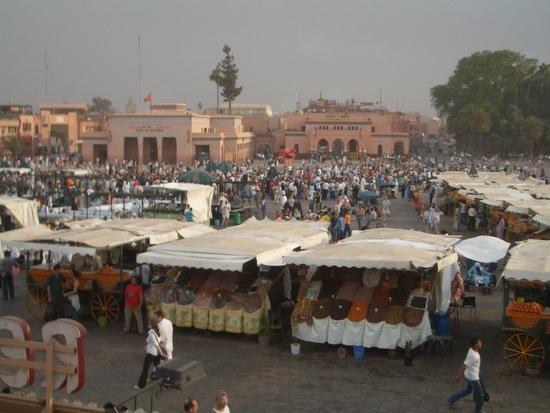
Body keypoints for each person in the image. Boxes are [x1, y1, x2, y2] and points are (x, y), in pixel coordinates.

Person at [448, 338, 485, 413]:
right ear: (476, 345)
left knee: (467, 391)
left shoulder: (471, 349)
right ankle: (478, 410)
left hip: (470, 375)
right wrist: (458, 376)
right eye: (479, 343)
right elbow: (464, 365)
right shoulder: (473, 355)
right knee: (480, 395)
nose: (481, 344)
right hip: (473, 378)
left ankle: (451, 399)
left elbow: (471, 364)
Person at [135, 321, 164, 389]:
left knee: (145, 369)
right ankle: (162, 382)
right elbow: (152, 341)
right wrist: (147, 346)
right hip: (156, 354)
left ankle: (141, 385)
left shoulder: (151, 333)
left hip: (151, 354)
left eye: (149, 324)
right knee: (158, 368)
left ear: (151, 325)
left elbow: (156, 344)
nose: (148, 325)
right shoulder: (157, 332)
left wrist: (161, 353)